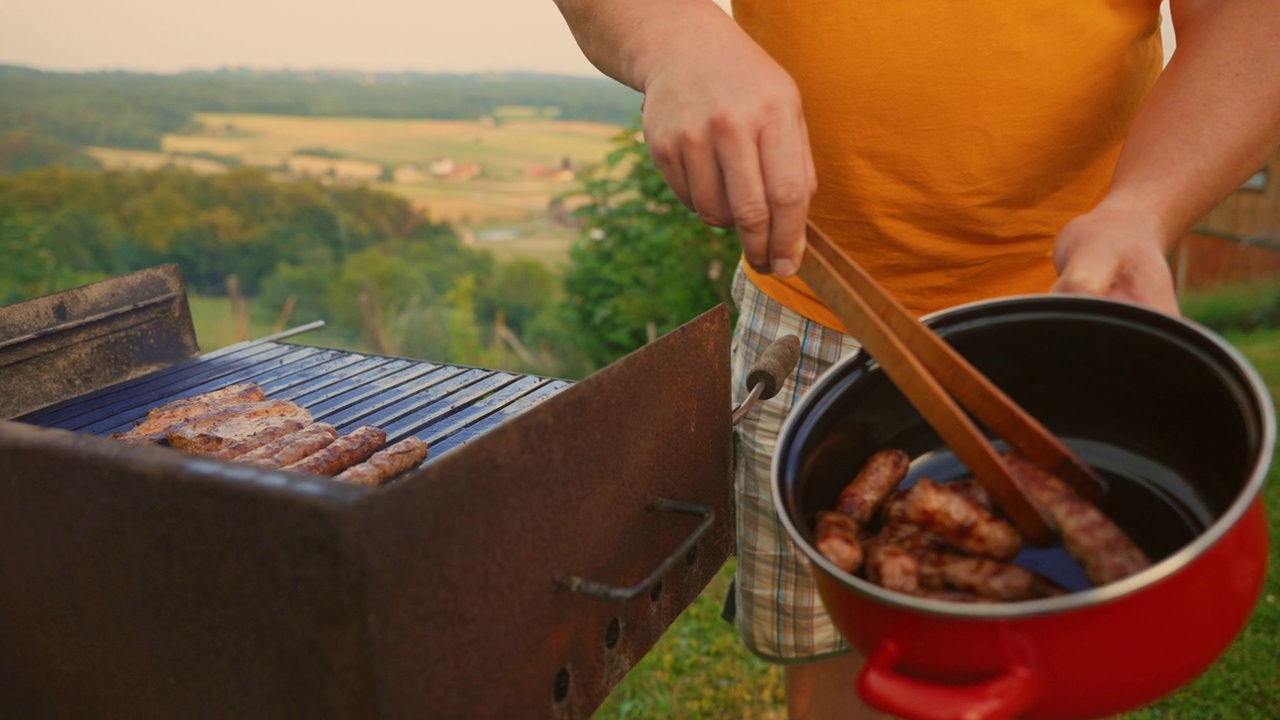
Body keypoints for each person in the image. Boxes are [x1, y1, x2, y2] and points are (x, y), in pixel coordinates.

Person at [551, 1, 1280, 717]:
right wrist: (671, 30)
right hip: (810, 320)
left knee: (1072, 674)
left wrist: (1143, 209)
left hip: (1072, 305)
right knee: (845, 669)